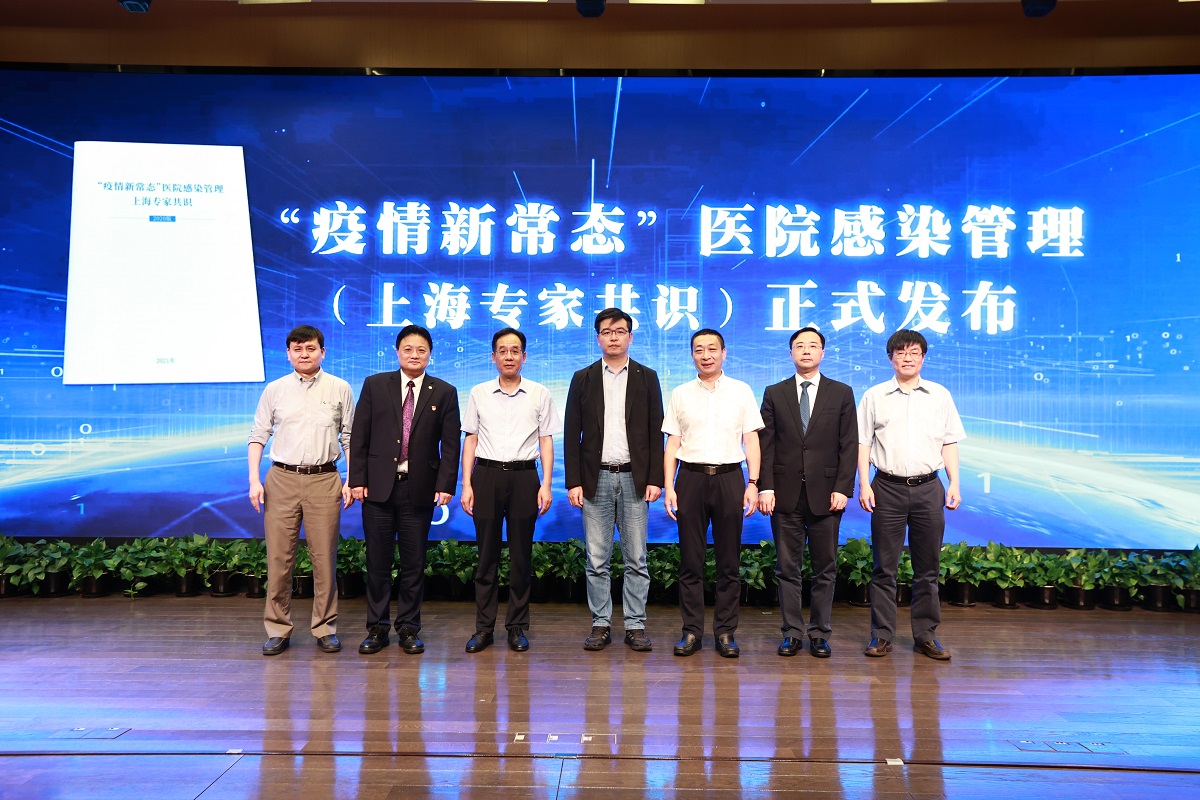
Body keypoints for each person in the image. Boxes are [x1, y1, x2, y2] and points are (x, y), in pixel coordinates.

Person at [349, 325, 461, 656]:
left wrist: (445, 485)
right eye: (408, 349)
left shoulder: (444, 391)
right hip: (378, 489)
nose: (414, 355)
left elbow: (450, 445)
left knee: (414, 564)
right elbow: (360, 436)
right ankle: (377, 628)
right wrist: (357, 480)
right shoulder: (375, 385)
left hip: (419, 489)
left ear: (430, 355)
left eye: (421, 350)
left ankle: (409, 628)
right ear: (397, 352)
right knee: (378, 563)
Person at [858, 329, 965, 661]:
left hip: (929, 488)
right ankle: (882, 635)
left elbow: (949, 442)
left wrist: (954, 483)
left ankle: (926, 636)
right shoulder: (874, 395)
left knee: (927, 569)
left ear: (923, 357)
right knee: (884, 568)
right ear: (891, 358)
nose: (908, 358)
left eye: (914, 352)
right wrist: (864, 484)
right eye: (901, 352)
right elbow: (863, 444)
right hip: (886, 487)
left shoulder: (940, 395)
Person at [248, 325, 354, 656]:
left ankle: (325, 628)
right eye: (297, 349)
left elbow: (349, 437)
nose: (304, 354)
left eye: (310, 348)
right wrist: (254, 480)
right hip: (281, 479)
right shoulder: (275, 389)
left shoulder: (340, 388)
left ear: (322, 352)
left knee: (324, 558)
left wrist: (351, 479)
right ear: (288, 354)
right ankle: (278, 628)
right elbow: (258, 435)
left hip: (325, 479)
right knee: (279, 558)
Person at [564, 308, 665, 653]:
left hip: (636, 478)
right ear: (598, 338)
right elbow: (571, 433)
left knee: (637, 557)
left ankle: (635, 625)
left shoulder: (646, 377)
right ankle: (601, 623)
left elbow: (655, 431)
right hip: (596, 478)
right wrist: (574, 481)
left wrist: (655, 478)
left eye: (620, 331)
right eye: (606, 332)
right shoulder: (583, 378)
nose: (613, 337)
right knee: (597, 558)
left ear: (630, 337)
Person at [662, 328, 764, 658]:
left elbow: (751, 440)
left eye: (712, 349)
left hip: (729, 478)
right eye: (699, 349)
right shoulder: (680, 393)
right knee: (690, 562)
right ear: (692, 355)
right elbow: (672, 443)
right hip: (690, 478)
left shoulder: (741, 391)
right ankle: (691, 631)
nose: (705, 355)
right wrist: (669, 487)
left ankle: (725, 632)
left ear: (724, 353)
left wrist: (753, 483)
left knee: (728, 562)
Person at [757, 327, 857, 659]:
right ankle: (791, 633)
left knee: (824, 568)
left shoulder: (841, 393)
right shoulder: (774, 392)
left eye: (813, 346)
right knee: (787, 568)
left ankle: (819, 633)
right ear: (790, 354)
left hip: (826, 495)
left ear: (822, 353)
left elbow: (848, 444)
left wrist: (843, 488)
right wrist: (765, 486)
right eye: (799, 346)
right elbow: (766, 444)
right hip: (784, 494)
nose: (806, 351)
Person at [460, 328, 561, 653]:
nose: (508, 356)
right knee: (486, 557)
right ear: (493, 357)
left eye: (514, 351)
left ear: (524, 357)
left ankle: (516, 626)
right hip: (486, 475)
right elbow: (471, 439)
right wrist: (467, 484)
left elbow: (546, 440)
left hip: (524, 477)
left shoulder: (539, 393)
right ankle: (483, 628)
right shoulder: (478, 392)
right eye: (502, 351)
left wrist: (546, 484)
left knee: (521, 556)